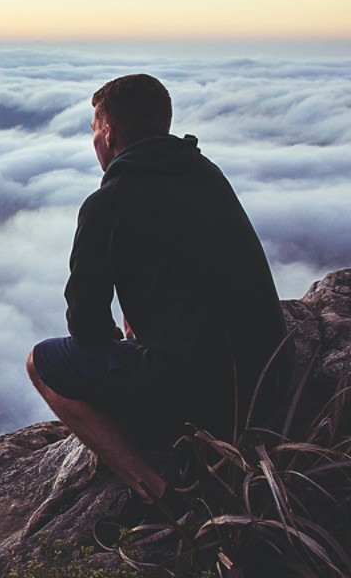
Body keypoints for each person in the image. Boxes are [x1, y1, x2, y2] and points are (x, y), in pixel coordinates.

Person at [26, 73, 288, 527]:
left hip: (203, 398)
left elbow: (84, 325)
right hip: (270, 380)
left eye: (94, 130)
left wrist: (122, 345)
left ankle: (161, 493)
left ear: (107, 134)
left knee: (41, 363)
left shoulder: (108, 203)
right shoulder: (205, 173)